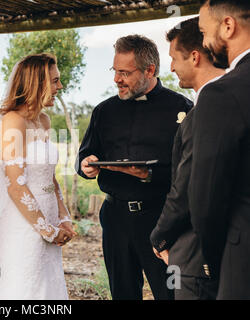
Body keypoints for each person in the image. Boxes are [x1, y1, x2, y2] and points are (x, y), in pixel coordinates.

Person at [76, 35, 192, 300]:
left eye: (125, 73)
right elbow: (85, 155)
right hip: (115, 219)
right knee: (123, 294)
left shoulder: (182, 109)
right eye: (115, 71)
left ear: (149, 70)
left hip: (161, 220)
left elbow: (191, 172)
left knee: (171, 294)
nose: (117, 79)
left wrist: (150, 174)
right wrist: (86, 166)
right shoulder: (103, 111)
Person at [0, 53, 77, 299]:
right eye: (55, 81)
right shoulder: (13, 122)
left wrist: (63, 218)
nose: (60, 86)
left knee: (48, 287)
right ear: (37, 83)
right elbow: (15, 185)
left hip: (48, 217)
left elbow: (50, 178)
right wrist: (47, 230)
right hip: (22, 223)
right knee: (24, 288)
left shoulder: (43, 121)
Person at [150, 17, 225, 300]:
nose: (170, 67)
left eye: (173, 58)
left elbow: (187, 186)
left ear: (194, 57)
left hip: (196, 252)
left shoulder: (206, 111)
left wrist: (160, 236)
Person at [188, 0, 250, 299]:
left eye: (204, 31)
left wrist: (212, 262)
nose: (203, 41)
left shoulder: (223, 93)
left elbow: (206, 197)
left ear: (228, 26)